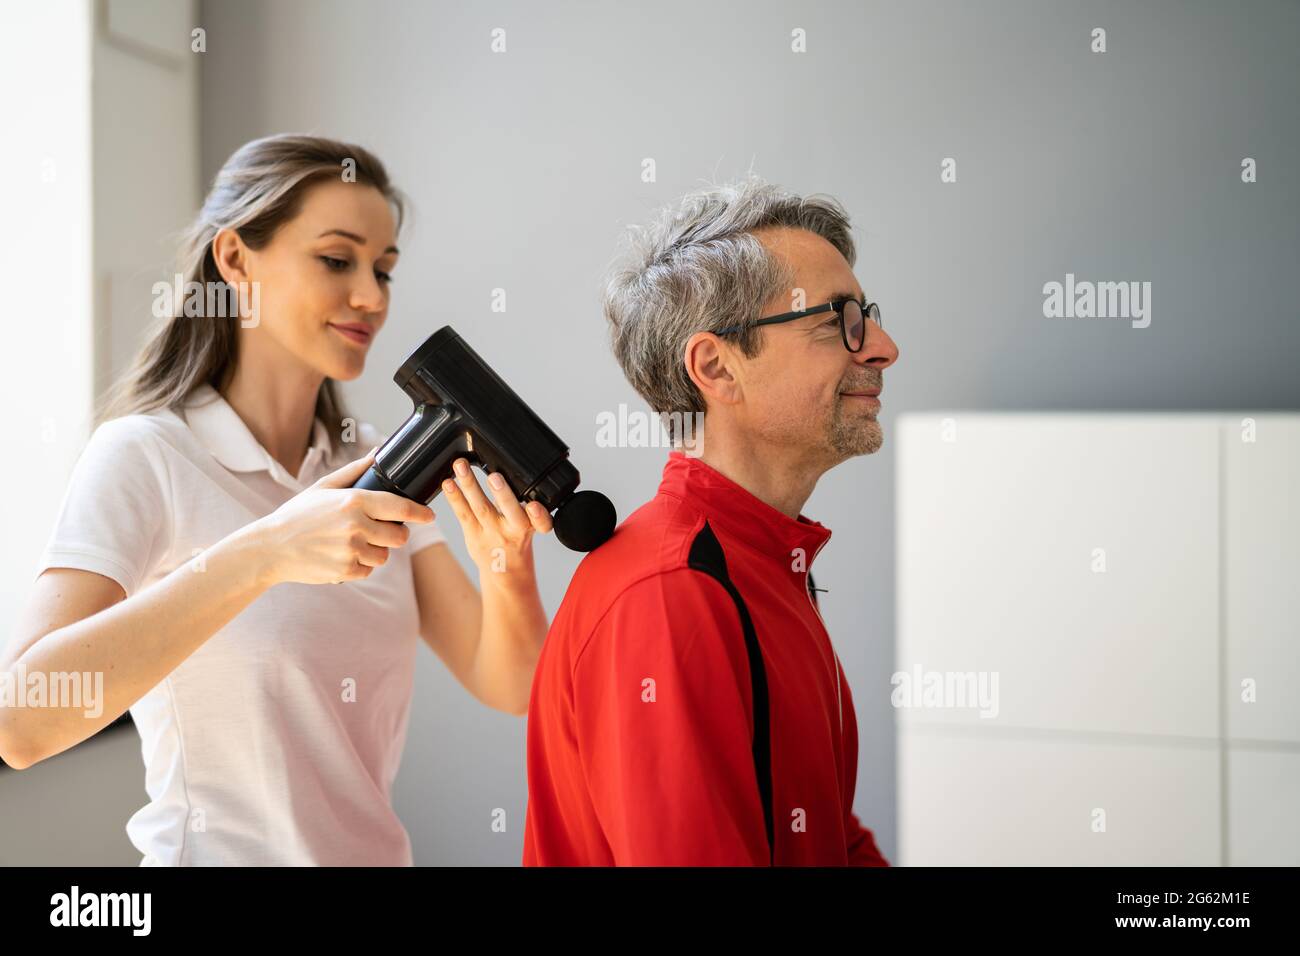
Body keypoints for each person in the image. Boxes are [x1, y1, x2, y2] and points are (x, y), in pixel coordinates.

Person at [0, 134, 554, 866]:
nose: (372, 297)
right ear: (235, 260)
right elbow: (23, 722)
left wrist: (504, 566)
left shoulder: (372, 467)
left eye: (384, 270)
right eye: (337, 259)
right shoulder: (148, 455)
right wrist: (266, 553)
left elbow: (510, 685)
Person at [523, 176, 898, 865]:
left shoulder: (766, 562)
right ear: (717, 367)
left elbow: (832, 843)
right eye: (836, 321)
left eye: (866, 315)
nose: (882, 347)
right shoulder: (671, 595)